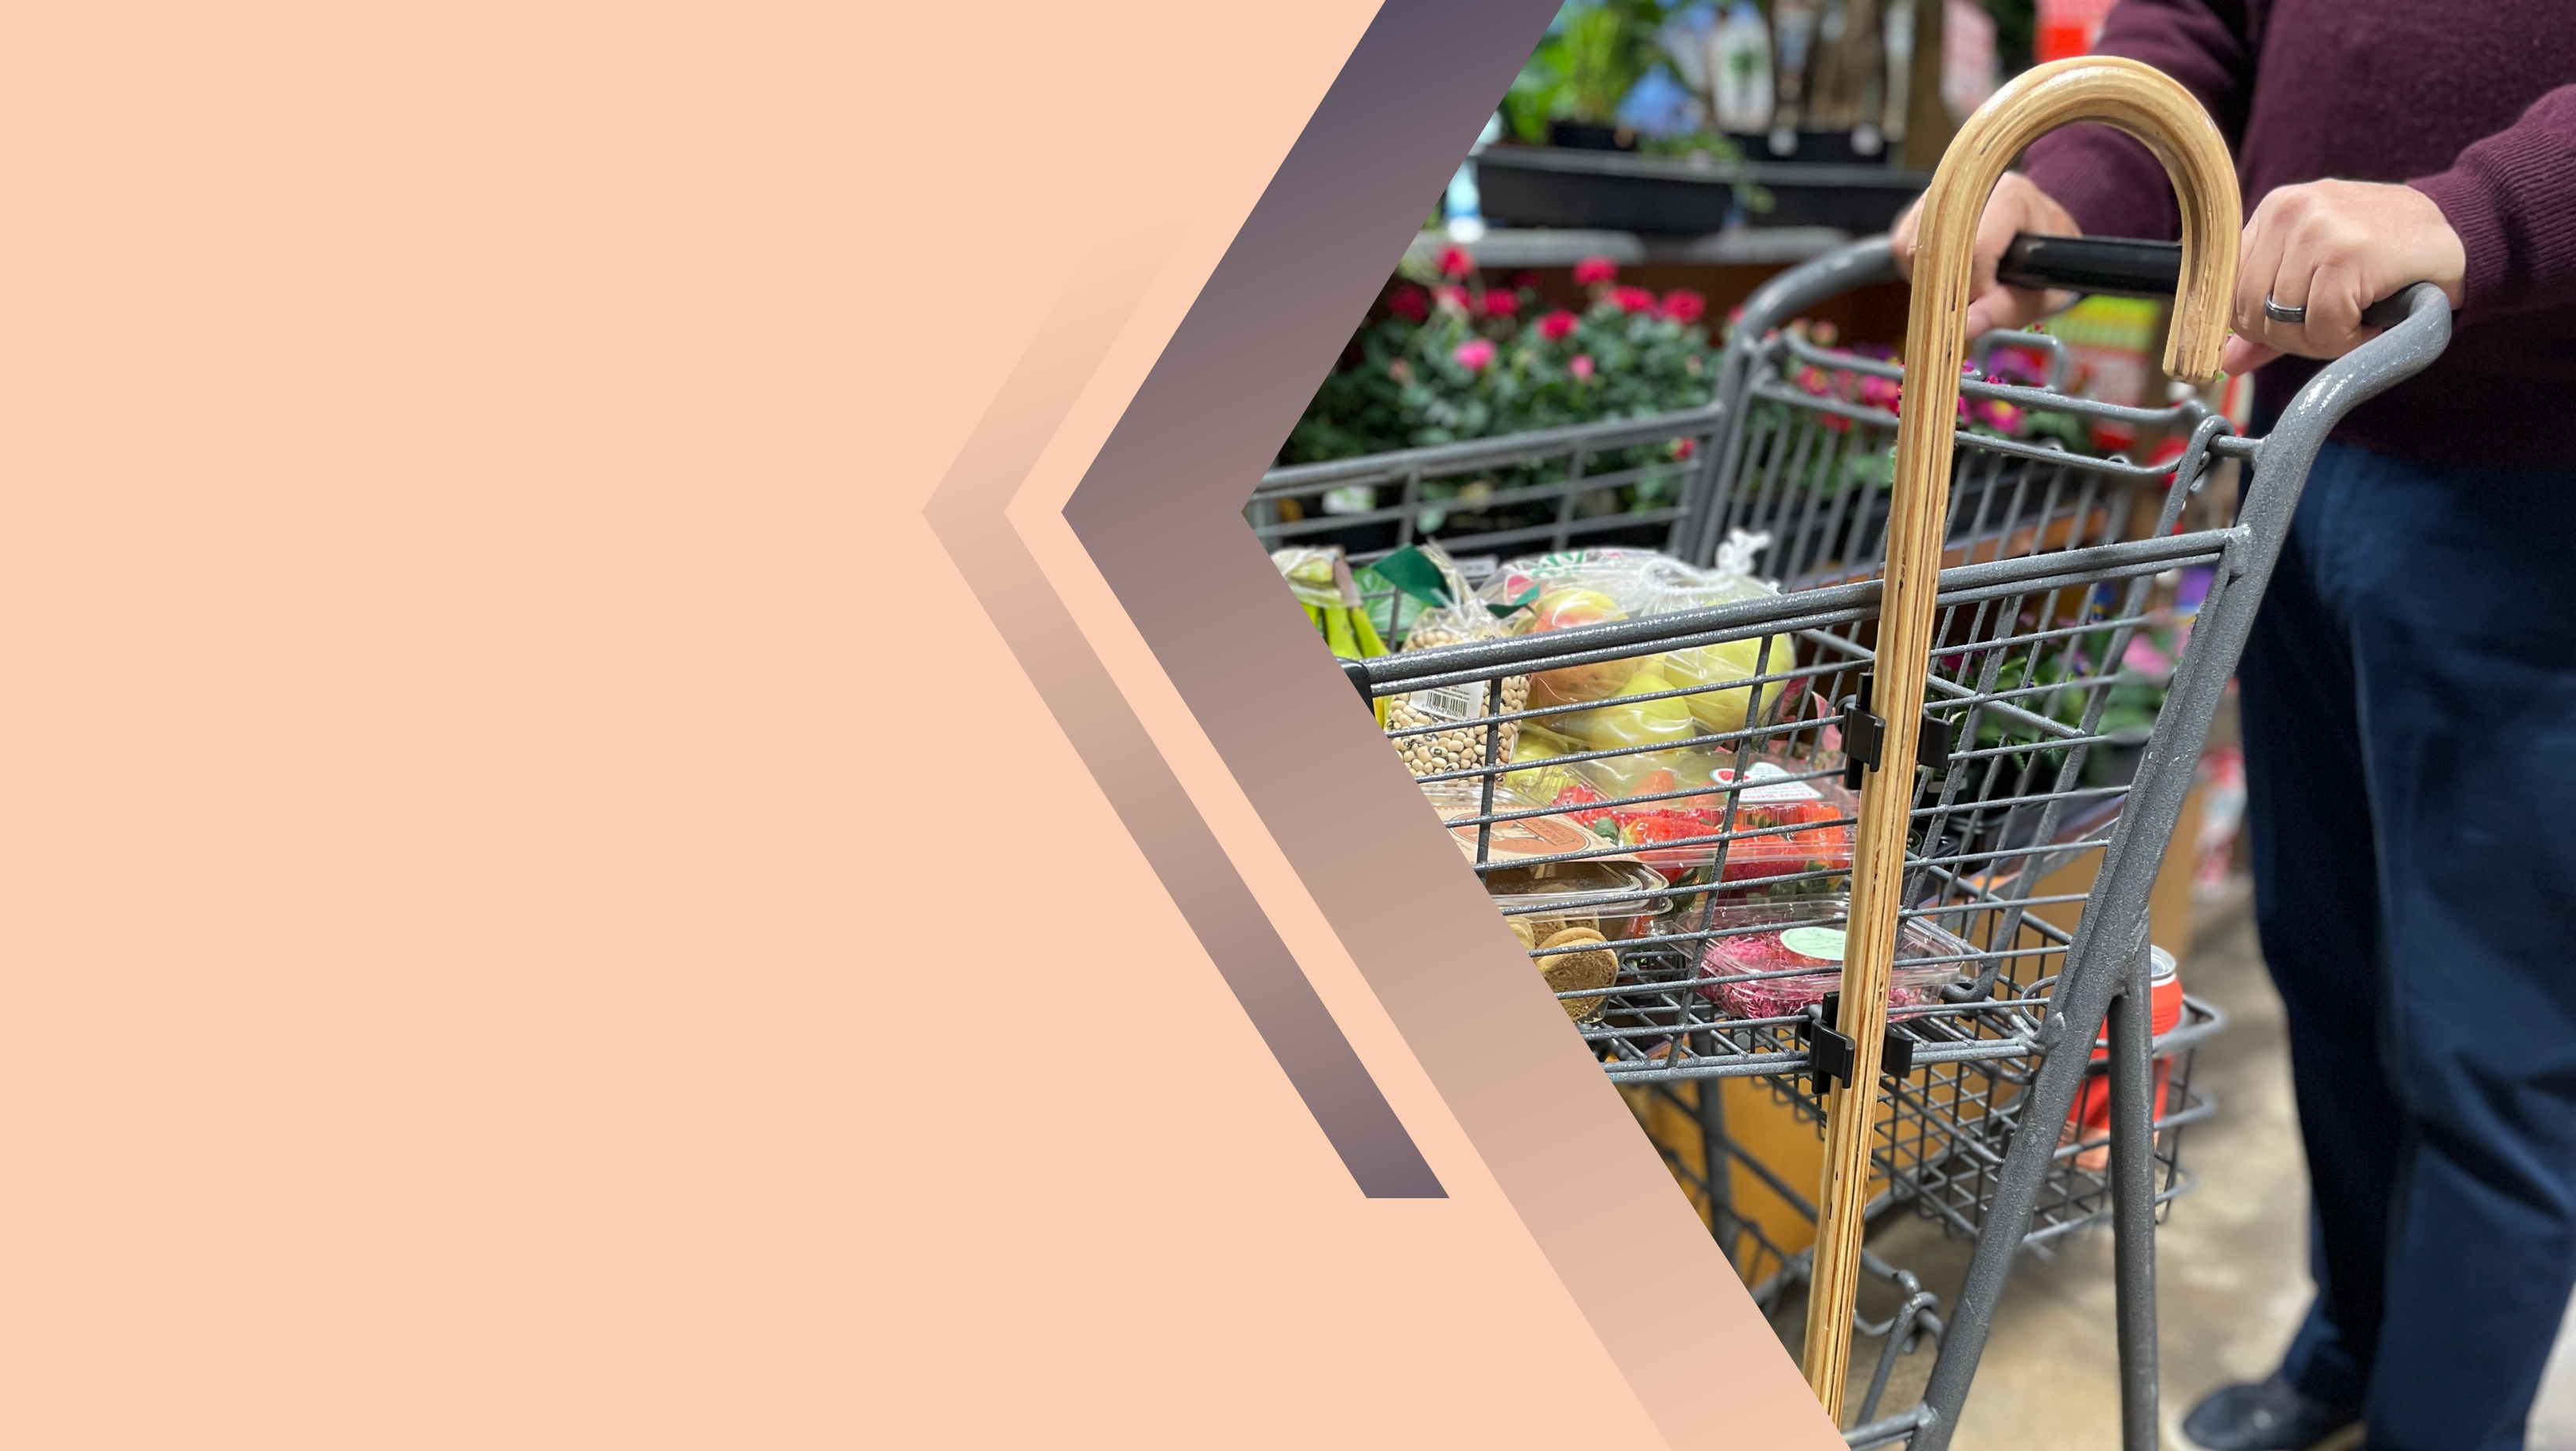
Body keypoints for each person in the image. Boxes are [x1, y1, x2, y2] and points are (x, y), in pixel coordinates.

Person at [1891, 5, 2576, 1449]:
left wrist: (2477, 212)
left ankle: (2440, 1422)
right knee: (2325, 965)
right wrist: (2078, 172)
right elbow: (2201, 19)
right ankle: (2359, 1337)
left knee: (2493, 1041)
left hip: (2538, 471)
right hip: (2309, 450)